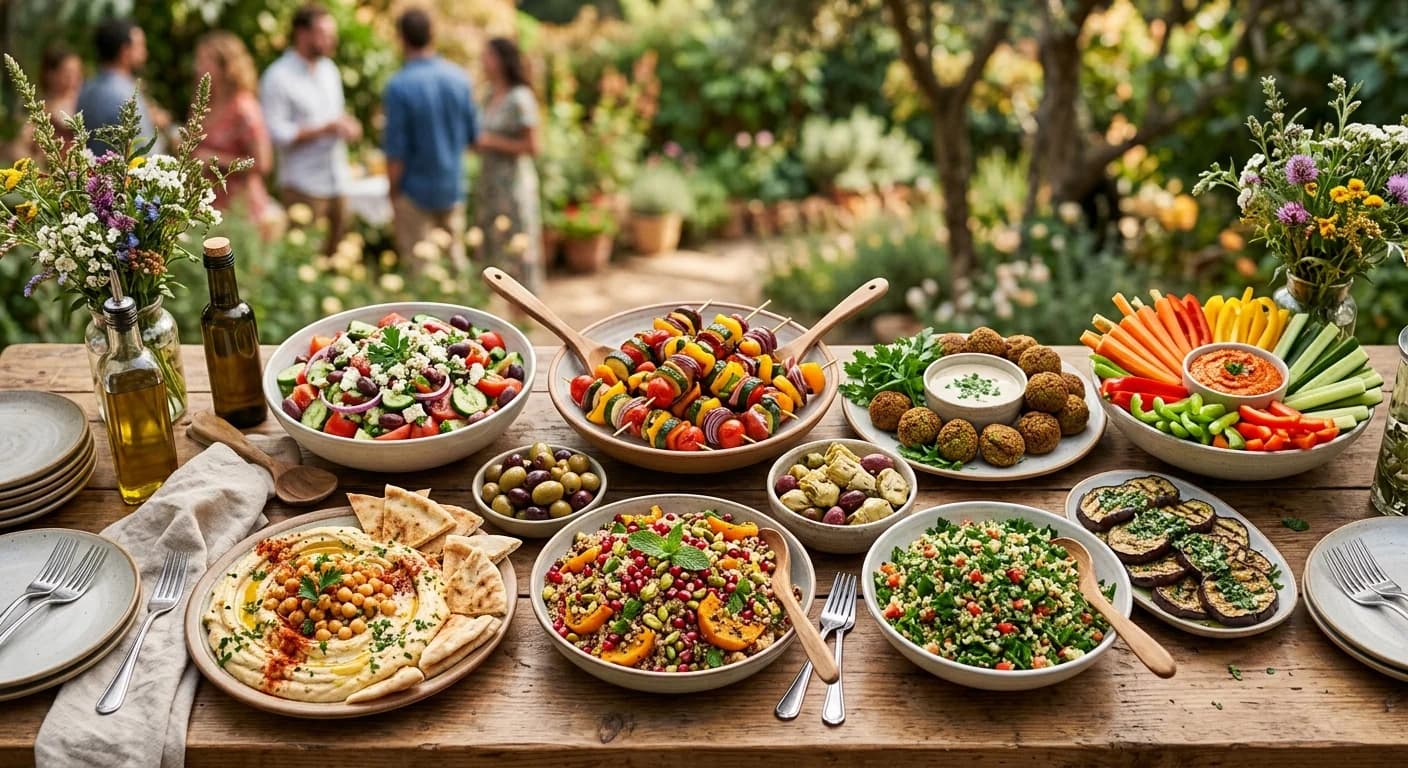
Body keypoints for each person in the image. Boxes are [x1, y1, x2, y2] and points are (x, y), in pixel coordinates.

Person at [259, 3, 361, 255]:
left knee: (337, 259)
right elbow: (276, 133)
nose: (331, 40)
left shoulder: (330, 70)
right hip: (303, 186)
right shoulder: (278, 77)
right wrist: (323, 129)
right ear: (302, 34)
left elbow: (335, 116)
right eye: (324, 33)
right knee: (304, 260)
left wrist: (348, 125)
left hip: (337, 181)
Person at [383, 8, 478, 273]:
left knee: (421, 273)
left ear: (401, 38)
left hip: (415, 192)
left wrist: (393, 191)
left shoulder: (399, 86)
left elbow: (396, 150)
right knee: (456, 265)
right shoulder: (459, 78)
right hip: (452, 186)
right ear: (432, 35)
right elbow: (473, 137)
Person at [473, 37, 542, 294]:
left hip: (513, 185)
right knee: (493, 244)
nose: (483, 60)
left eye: (487, 55)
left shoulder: (520, 97)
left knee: (517, 245)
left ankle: (524, 308)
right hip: (489, 184)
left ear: (502, 60)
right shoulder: (488, 94)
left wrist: (492, 142)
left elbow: (533, 146)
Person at [194, 32, 275, 232]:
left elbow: (263, 163)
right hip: (209, 206)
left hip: (241, 210)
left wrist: (214, 160)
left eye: (205, 61)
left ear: (226, 66)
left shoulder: (244, 108)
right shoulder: (204, 102)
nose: (198, 67)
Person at [77, 17, 167, 155]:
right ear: (125, 51)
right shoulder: (127, 95)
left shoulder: (86, 89)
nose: (145, 52)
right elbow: (145, 151)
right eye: (140, 46)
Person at [40, 45, 82, 146]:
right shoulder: (42, 110)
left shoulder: (84, 100)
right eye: (68, 74)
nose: (74, 80)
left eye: (78, 74)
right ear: (50, 75)